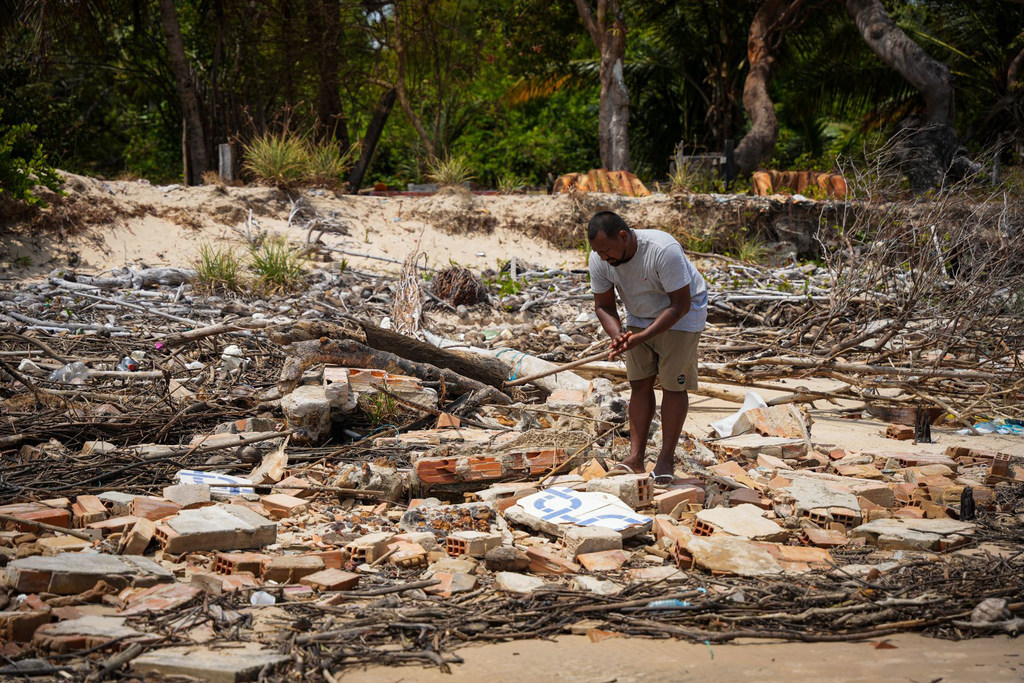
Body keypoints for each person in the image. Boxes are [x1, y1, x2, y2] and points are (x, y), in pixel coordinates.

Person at [587, 211, 707, 483]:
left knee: (673, 385)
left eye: (606, 250)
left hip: (682, 316)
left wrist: (641, 337)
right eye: (598, 252)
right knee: (639, 383)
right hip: (639, 316)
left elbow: (680, 304)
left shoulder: (663, 250)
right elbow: (603, 305)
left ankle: (665, 460)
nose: (603, 257)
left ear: (623, 236)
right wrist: (618, 334)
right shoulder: (599, 258)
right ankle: (636, 458)